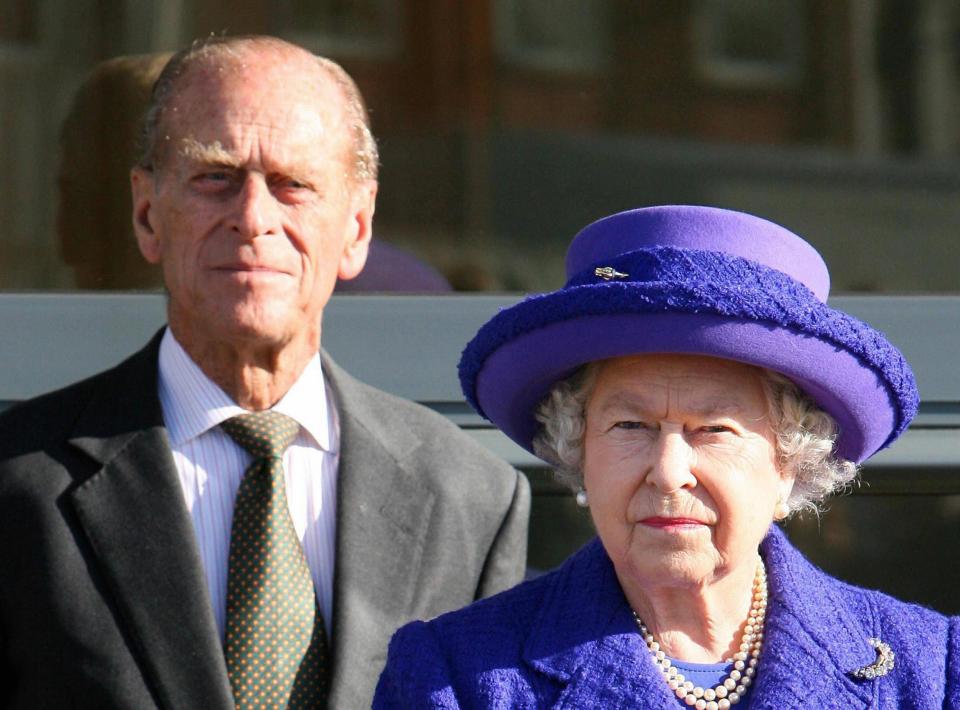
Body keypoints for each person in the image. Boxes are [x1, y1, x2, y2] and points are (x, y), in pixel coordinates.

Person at [0, 35, 529, 709]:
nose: (254, 219)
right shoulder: (19, 484)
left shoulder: (470, 500)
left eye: (294, 185)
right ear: (146, 214)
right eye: (214, 177)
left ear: (357, 228)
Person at [374, 205, 960, 708]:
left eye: (712, 429)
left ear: (790, 465)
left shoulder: (928, 674)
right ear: (580, 452)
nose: (668, 470)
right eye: (630, 425)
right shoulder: (456, 676)